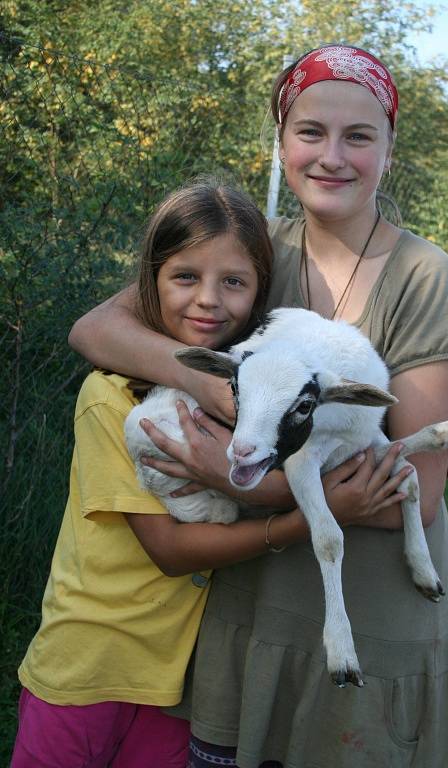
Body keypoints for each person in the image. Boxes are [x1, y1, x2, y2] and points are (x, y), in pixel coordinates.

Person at [68, 45, 448, 768]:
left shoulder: (422, 274)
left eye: (359, 136)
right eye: (311, 132)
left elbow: (420, 491)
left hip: (370, 604)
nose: (332, 157)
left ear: (388, 147)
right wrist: (212, 384)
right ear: (281, 140)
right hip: (254, 605)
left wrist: (236, 476)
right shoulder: (252, 248)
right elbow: (96, 329)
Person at [12, 177, 407, 768]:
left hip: (180, 685)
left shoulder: (251, 404)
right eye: (185, 277)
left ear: (259, 295)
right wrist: (312, 520)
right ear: (151, 280)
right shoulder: (112, 397)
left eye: (234, 283)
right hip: (89, 666)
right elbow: (169, 550)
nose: (208, 301)